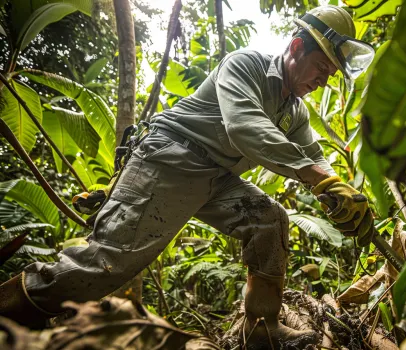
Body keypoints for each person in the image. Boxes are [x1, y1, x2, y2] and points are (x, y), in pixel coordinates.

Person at [0, 5, 375, 349]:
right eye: (321, 69)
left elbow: (314, 155)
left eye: (331, 75)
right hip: (171, 158)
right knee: (105, 265)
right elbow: (246, 127)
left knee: (268, 220)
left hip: (217, 176)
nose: (323, 81)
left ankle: (261, 327)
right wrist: (317, 178)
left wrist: (341, 191)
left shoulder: (295, 111)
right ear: (296, 47)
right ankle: (10, 311)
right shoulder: (246, 65)